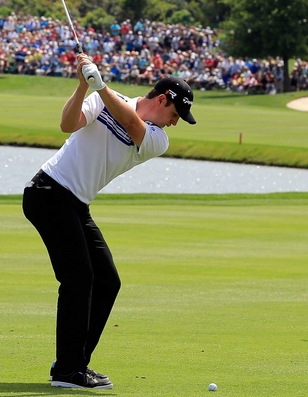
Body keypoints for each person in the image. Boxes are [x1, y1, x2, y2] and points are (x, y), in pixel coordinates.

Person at [22, 53, 196, 389]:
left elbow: (132, 124)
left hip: (75, 203)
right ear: (162, 100)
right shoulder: (102, 99)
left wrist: (101, 87)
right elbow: (67, 125)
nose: (175, 122)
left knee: (107, 280)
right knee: (79, 278)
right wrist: (82, 86)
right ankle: (68, 371)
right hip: (48, 191)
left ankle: (73, 365)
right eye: (176, 114)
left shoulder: (158, 139)